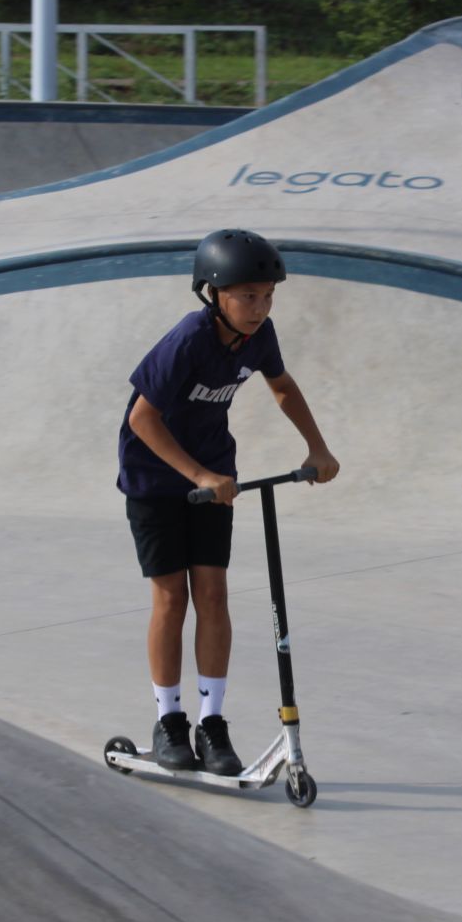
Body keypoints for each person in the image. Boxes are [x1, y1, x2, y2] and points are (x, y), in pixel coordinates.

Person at [116, 228, 340, 776]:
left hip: (215, 478)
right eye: (246, 296)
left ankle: (211, 724)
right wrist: (198, 472)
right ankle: (170, 721)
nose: (259, 307)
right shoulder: (188, 339)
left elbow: (282, 387)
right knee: (172, 600)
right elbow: (141, 419)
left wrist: (318, 447)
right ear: (212, 293)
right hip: (155, 479)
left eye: (267, 296)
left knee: (213, 595)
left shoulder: (258, 336)